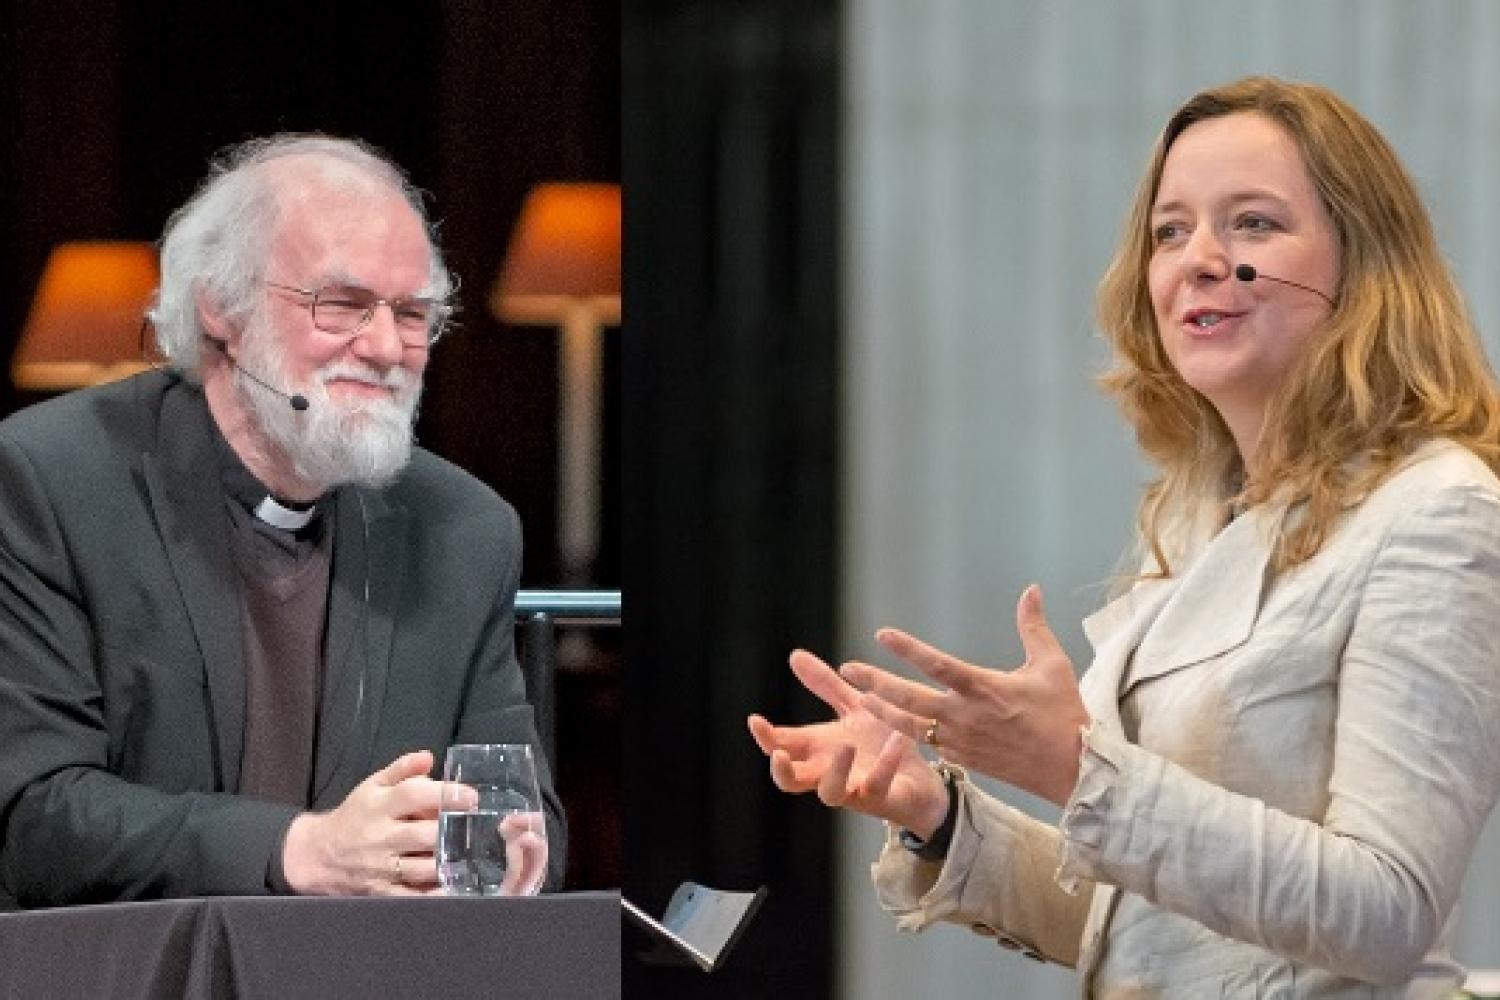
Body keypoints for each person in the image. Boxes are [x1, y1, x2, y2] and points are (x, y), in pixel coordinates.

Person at [749, 76, 1500, 993]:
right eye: (1171, 231)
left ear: (1366, 264)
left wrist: (1077, 769)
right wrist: (940, 813)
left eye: (1254, 224)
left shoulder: (1440, 512)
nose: (1202, 258)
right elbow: (1156, 931)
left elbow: (1385, 911)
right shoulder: (1198, 519)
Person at [0, 135, 564, 906]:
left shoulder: (464, 529)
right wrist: (298, 850)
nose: (383, 347)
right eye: (342, 305)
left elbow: (522, 815)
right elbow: (33, 814)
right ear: (220, 308)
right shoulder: (49, 482)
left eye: (412, 315)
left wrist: (503, 863)